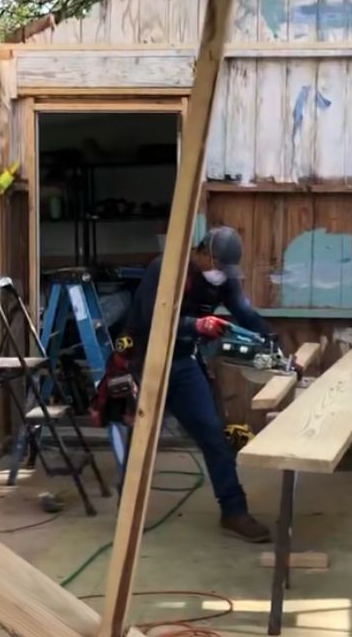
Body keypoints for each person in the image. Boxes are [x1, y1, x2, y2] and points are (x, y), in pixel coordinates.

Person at [120, 226, 274, 543]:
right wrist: (197, 324)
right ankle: (128, 515)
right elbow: (152, 320)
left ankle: (234, 511)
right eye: (217, 265)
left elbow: (245, 312)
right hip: (148, 362)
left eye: (225, 269)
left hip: (182, 362)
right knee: (141, 443)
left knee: (213, 435)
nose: (220, 274)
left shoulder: (223, 279)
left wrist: (273, 341)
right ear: (202, 252)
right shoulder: (165, 269)